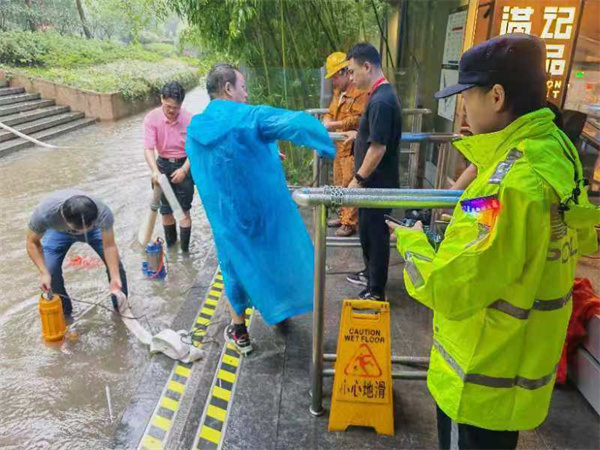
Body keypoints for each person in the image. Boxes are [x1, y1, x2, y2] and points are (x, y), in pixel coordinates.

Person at [387, 34, 600, 449]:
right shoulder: (553, 151)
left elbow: (449, 287)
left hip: (479, 380)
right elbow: (513, 231)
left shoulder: (512, 185)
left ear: (497, 96)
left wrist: (413, 243)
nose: (463, 106)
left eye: (467, 95)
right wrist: (463, 222)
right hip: (517, 370)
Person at [185, 63, 335, 354]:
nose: (246, 93)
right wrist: (325, 143)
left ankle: (239, 330)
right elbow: (296, 123)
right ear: (228, 88)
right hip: (262, 212)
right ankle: (281, 308)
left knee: (233, 265)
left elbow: (221, 165)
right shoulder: (249, 117)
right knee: (275, 254)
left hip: (227, 217)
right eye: (242, 87)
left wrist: (262, 150)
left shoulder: (195, 128)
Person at [342, 43, 402, 301]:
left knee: (376, 236)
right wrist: (359, 135)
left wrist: (357, 180)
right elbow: (374, 136)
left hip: (376, 183)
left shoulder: (381, 101)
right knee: (368, 231)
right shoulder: (380, 96)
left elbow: (378, 149)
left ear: (367, 66)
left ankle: (376, 290)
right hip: (374, 183)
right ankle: (369, 274)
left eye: (353, 72)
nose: (351, 78)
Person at [26, 190, 128, 317]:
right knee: (51, 272)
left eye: (87, 227)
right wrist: (43, 272)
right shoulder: (45, 214)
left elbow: (109, 246)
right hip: (59, 232)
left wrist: (115, 276)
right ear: (64, 218)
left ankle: (121, 308)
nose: (82, 232)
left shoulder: (103, 212)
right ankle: (65, 313)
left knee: (116, 267)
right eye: (79, 229)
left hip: (94, 231)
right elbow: (32, 242)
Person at [143, 82, 194, 252]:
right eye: (168, 106)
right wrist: (155, 171)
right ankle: (172, 251)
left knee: (184, 212)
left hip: (183, 164)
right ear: (161, 99)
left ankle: (185, 253)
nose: (172, 111)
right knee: (166, 211)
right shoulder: (152, 118)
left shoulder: (189, 119)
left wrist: (184, 170)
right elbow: (149, 149)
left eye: (176, 107)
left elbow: (195, 150)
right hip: (162, 166)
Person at [322, 51, 368, 237]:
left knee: (350, 183)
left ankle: (350, 222)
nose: (333, 81)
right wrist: (327, 119)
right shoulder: (338, 93)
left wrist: (334, 125)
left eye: (334, 77)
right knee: (338, 183)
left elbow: (358, 119)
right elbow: (331, 111)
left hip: (350, 147)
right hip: (338, 147)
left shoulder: (360, 93)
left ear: (343, 73)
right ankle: (343, 216)